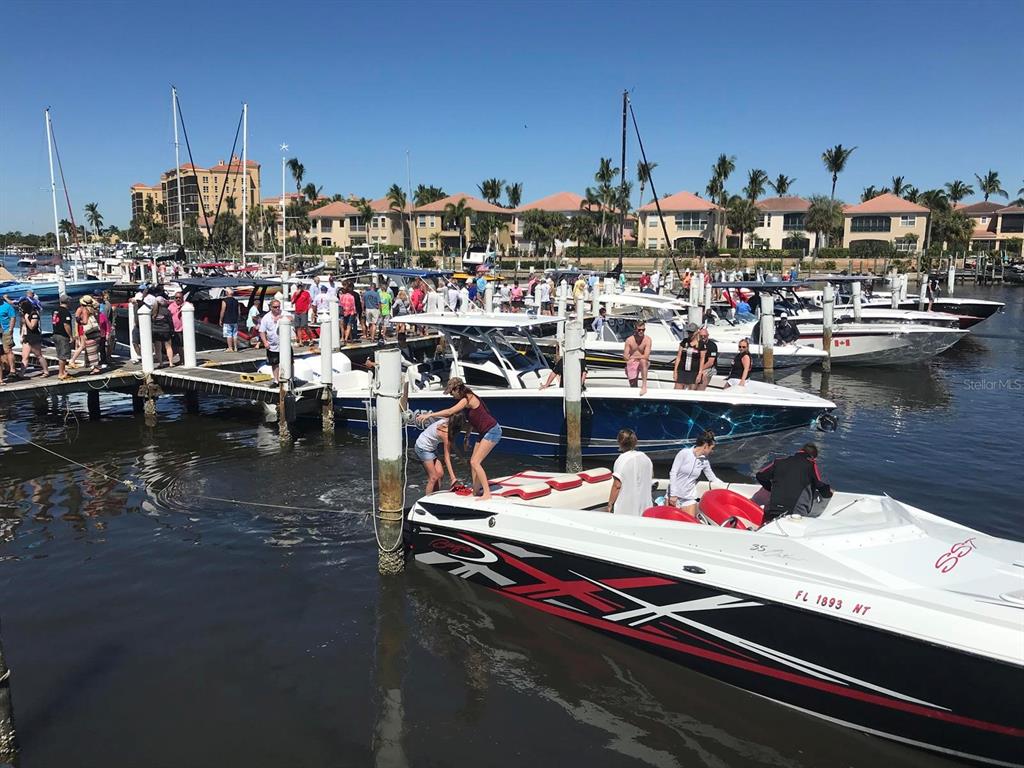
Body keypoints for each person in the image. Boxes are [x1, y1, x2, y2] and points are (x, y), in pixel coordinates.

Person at [417, 378, 500, 500]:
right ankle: (476, 491)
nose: (451, 396)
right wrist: (467, 437)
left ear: (457, 389)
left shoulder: (467, 398)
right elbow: (473, 422)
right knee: (473, 462)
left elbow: (450, 411)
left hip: (492, 431)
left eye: (452, 393)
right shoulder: (467, 402)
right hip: (483, 432)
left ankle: (487, 494)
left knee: (475, 462)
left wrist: (429, 415)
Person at [755, 443, 832, 522]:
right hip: (795, 513)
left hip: (773, 509)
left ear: (800, 451)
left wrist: (770, 488)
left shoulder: (779, 462)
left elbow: (760, 476)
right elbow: (821, 486)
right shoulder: (811, 465)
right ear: (813, 458)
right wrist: (829, 493)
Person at [667, 431, 719, 517]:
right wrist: (673, 495)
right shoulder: (684, 453)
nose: (712, 451)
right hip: (673, 496)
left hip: (689, 498)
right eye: (711, 448)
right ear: (705, 446)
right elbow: (673, 473)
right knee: (670, 524)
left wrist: (726, 486)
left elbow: (712, 478)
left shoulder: (705, 461)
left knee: (690, 526)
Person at [608, 428, 653, 515]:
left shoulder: (622, 460)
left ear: (620, 442)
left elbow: (617, 485)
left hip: (627, 509)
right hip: (645, 507)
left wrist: (610, 503)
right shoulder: (645, 457)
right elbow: (650, 476)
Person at [415, 414, 461, 494]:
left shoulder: (447, 421)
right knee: (433, 477)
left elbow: (451, 443)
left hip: (432, 448)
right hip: (423, 448)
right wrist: (453, 478)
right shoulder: (445, 433)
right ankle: (427, 500)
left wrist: (460, 456)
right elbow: (447, 458)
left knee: (440, 473)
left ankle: (435, 495)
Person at [18, 299, 49, 377]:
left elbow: (32, 326)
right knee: (24, 356)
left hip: (34, 336)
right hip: (27, 337)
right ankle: (21, 373)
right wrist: (22, 336)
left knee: (38, 355)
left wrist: (26, 319)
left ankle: (46, 371)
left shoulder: (34, 314)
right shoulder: (25, 314)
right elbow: (24, 327)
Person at [623, 321, 652, 395]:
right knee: (633, 385)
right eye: (639, 330)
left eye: (643, 330)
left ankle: (644, 386)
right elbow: (625, 356)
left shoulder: (647, 340)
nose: (641, 331)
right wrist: (629, 358)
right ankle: (635, 393)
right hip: (632, 362)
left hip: (643, 362)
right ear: (635, 329)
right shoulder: (629, 340)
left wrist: (634, 357)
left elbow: (646, 356)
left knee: (643, 361)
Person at [259, 298, 283, 384]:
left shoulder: (283, 313)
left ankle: (288, 378)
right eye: (275, 307)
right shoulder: (266, 318)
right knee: (274, 363)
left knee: (288, 361)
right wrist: (265, 342)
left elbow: (291, 318)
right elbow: (262, 331)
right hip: (272, 344)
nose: (277, 308)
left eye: (278, 307)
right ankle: (276, 380)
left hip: (284, 344)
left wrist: (281, 317)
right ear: (271, 307)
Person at [50, 295, 74, 380]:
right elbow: (66, 324)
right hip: (62, 335)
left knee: (60, 354)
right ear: (68, 302)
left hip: (55, 333)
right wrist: (71, 336)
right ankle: (60, 373)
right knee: (63, 355)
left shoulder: (55, 310)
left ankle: (63, 371)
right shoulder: (65, 312)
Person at [673, 324, 702, 390]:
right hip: (682, 370)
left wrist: (700, 373)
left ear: (697, 332)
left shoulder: (700, 344)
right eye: (688, 332)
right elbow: (678, 357)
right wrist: (675, 371)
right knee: (677, 390)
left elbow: (702, 359)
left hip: (694, 371)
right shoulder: (684, 342)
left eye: (692, 332)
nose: (690, 334)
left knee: (692, 392)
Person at [0, 295, 19, 382]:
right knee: (2, 351)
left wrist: (11, 329)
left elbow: (13, 317)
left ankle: (12, 370)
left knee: (8, 350)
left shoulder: (7, 306)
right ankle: (5, 368)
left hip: (6, 329)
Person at [696, 326, 718, 391]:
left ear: (708, 335)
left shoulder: (712, 345)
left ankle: (700, 391)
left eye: (704, 336)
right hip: (698, 366)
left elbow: (710, 362)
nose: (703, 337)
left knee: (704, 374)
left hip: (709, 367)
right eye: (701, 336)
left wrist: (700, 370)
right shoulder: (697, 344)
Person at [220, 287, 241, 352]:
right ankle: (236, 348)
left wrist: (220, 319)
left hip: (227, 320)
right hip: (235, 320)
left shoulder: (224, 301)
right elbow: (239, 312)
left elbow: (222, 310)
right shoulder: (236, 301)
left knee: (228, 334)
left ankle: (230, 348)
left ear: (227, 293)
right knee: (235, 334)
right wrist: (238, 318)